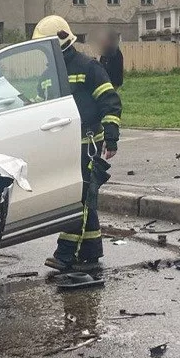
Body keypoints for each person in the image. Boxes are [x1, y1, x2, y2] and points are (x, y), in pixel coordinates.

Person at [32, 15, 123, 272]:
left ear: (59, 41)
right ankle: (92, 252)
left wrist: (112, 137)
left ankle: (66, 253)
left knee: (79, 199)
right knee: (85, 199)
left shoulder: (88, 68)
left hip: (87, 144)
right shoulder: (48, 75)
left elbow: (110, 101)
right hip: (62, 147)